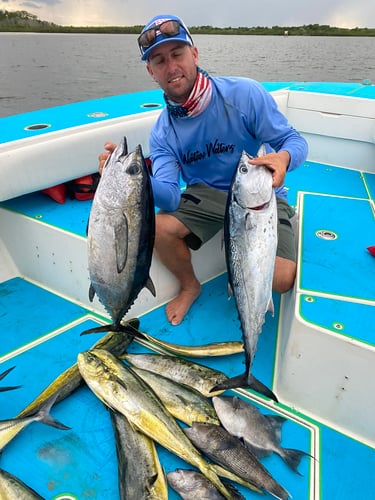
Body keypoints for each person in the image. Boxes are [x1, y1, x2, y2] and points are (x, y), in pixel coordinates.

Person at [98, 14, 308, 326]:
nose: (171, 68)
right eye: (159, 61)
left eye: (177, 55)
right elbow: (169, 197)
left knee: (281, 279)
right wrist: (133, 178)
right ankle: (189, 285)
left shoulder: (244, 95)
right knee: (159, 230)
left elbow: (293, 140)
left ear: (194, 54)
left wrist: (284, 159)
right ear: (150, 71)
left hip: (257, 193)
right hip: (206, 197)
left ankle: (282, 219)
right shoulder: (163, 132)